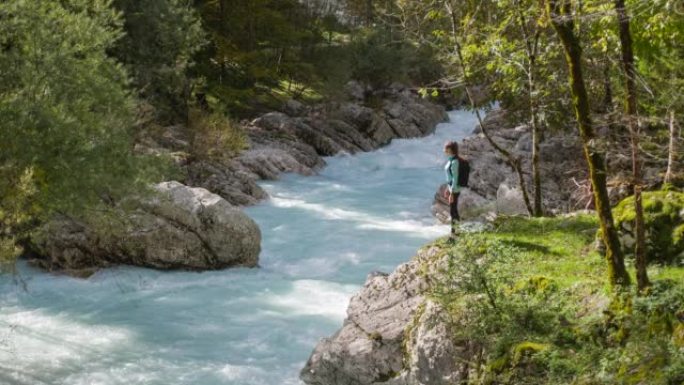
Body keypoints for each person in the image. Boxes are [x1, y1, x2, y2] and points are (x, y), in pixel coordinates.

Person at [443, 141, 461, 236]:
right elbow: (450, 177)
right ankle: (455, 231)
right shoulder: (451, 159)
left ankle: (455, 232)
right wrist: (447, 188)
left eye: (446, 148)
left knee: (453, 211)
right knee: (453, 210)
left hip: (455, 189)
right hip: (451, 188)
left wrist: (452, 193)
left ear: (451, 149)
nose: (444, 150)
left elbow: (455, 178)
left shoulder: (454, 162)